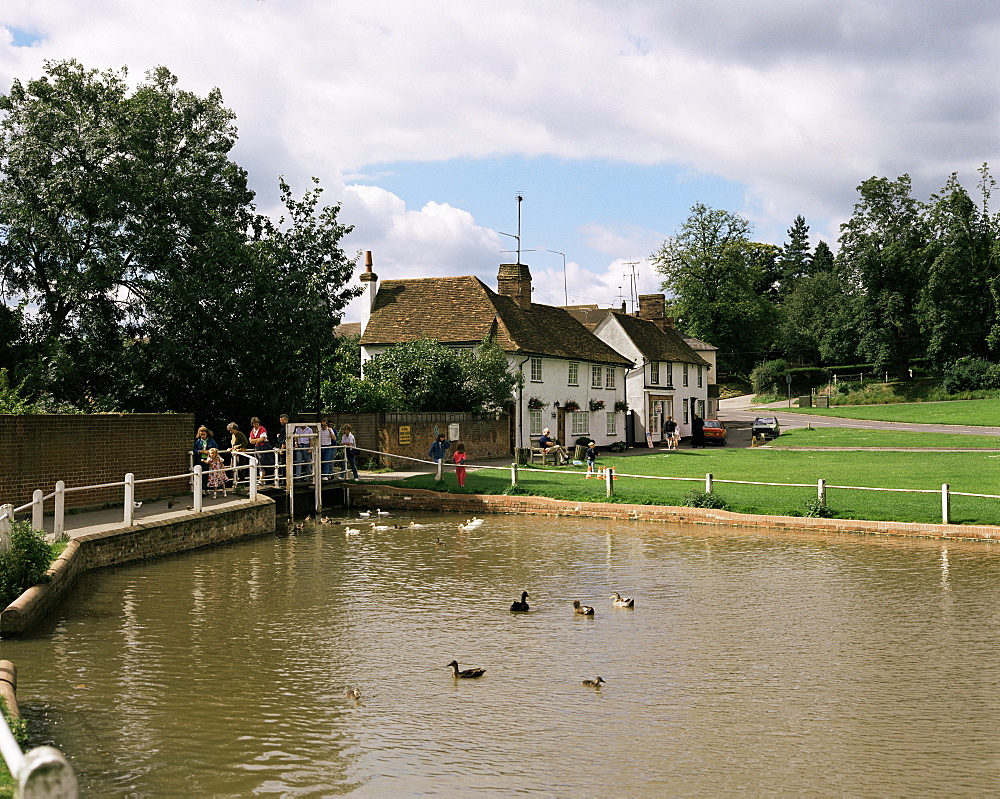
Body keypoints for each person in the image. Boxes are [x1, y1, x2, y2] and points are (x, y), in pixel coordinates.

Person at [192, 426, 218, 492]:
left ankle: (205, 488)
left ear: (207, 434)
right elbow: (194, 449)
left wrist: (210, 452)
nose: (202, 436)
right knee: (199, 473)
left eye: (204, 434)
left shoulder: (211, 441)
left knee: (206, 474)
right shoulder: (198, 441)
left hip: (208, 459)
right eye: (201, 435)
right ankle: (200, 488)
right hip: (200, 459)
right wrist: (200, 451)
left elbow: (216, 448)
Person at [248, 417, 271, 483]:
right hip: (257, 447)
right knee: (258, 462)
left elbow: (262, 439)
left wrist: (255, 440)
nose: (256, 425)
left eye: (257, 423)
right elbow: (250, 441)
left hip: (264, 447)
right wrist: (258, 440)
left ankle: (262, 479)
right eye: (254, 424)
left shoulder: (262, 429)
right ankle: (262, 479)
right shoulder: (252, 431)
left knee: (262, 462)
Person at [226, 422, 249, 487]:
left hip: (240, 453)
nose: (230, 432)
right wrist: (232, 448)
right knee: (233, 466)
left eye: (231, 430)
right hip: (234, 453)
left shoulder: (240, 434)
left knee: (241, 467)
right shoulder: (233, 435)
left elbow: (245, 442)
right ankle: (234, 480)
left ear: (235, 429)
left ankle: (242, 482)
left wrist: (238, 446)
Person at [274, 413, 290, 486]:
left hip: (284, 447)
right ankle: (284, 479)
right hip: (282, 446)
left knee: (284, 464)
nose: (281, 421)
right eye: (280, 420)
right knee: (283, 464)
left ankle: (285, 480)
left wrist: (282, 449)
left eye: (282, 420)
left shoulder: (286, 428)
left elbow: (285, 439)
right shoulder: (283, 428)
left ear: (286, 420)